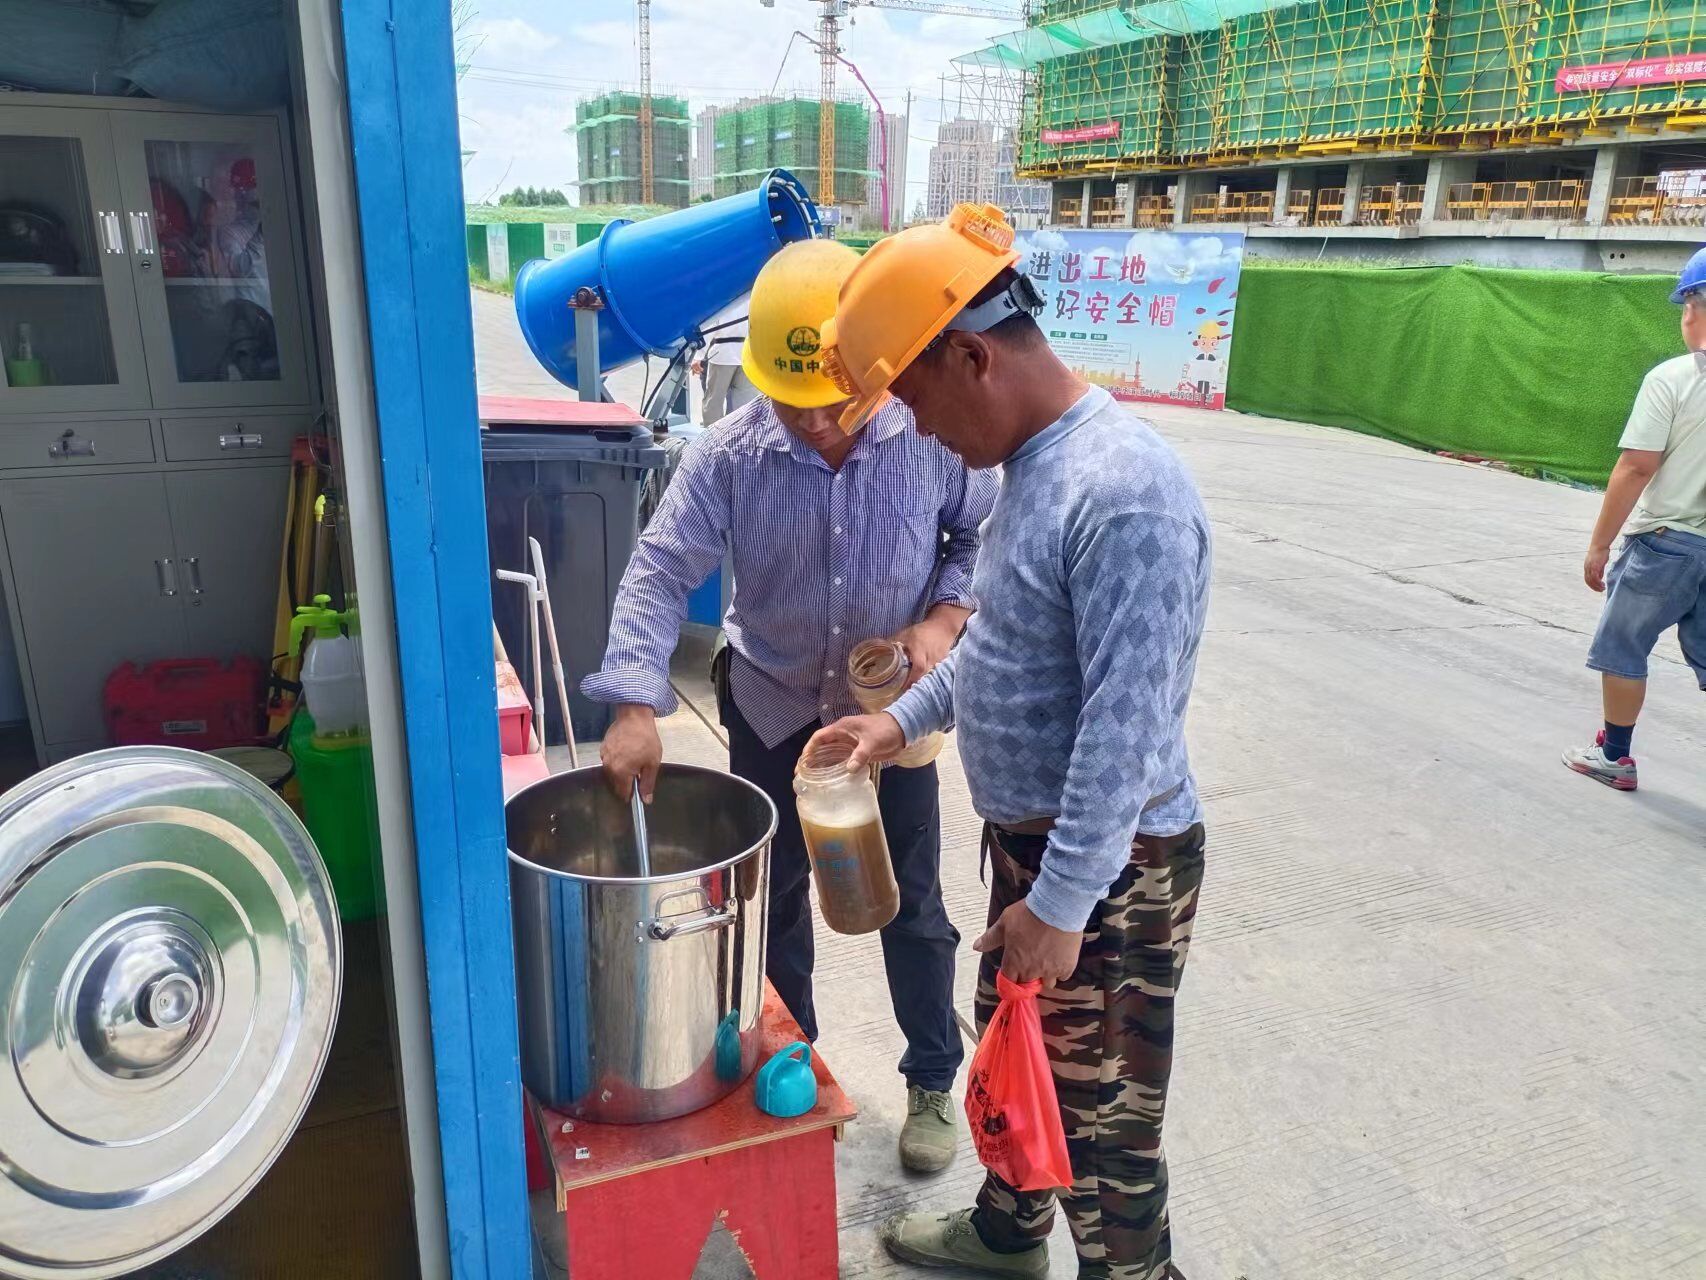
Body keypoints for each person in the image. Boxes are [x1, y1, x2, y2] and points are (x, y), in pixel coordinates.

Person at [809, 204, 1212, 1280]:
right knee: (1016, 1058)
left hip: (1111, 870)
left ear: (972, 356)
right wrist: (897, 721)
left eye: (913, 399)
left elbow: (1124, 733)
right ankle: (1006, 1231)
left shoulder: (1123, 494)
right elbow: (998, 646)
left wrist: (1064, 905)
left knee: (1099, 1132)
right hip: (1041, 853)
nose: (918, 430)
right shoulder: (1033, 468)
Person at [583, 238, 998, 1174]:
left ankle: (933, 1077)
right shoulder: (729, 457)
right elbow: (659, 570)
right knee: (771, 905)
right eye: (790, 398)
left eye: (834, 398)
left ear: (874, 372)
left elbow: (977, 535)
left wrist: (943, 618)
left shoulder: (932, 438)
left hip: (892, 721)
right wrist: (634, 701)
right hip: (772, 709)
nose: (813, 421)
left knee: (913, 904)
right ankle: (792, 1055)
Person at [1563, 246, 1706, 790]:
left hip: (1668, 543)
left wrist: (1600, 544)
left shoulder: (1674, 378)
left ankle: (1614, 756)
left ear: (1693, 306)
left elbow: (1636, 466)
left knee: (1623, 647)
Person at [693, 291, 758, 422]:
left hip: (723, 355)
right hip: (747, 354)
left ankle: (713, 432)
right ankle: (741, 432)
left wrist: (698, 356)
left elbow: (709, 326)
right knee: (744, 402)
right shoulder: (753, 294)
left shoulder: (723, 295)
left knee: (714, 401)